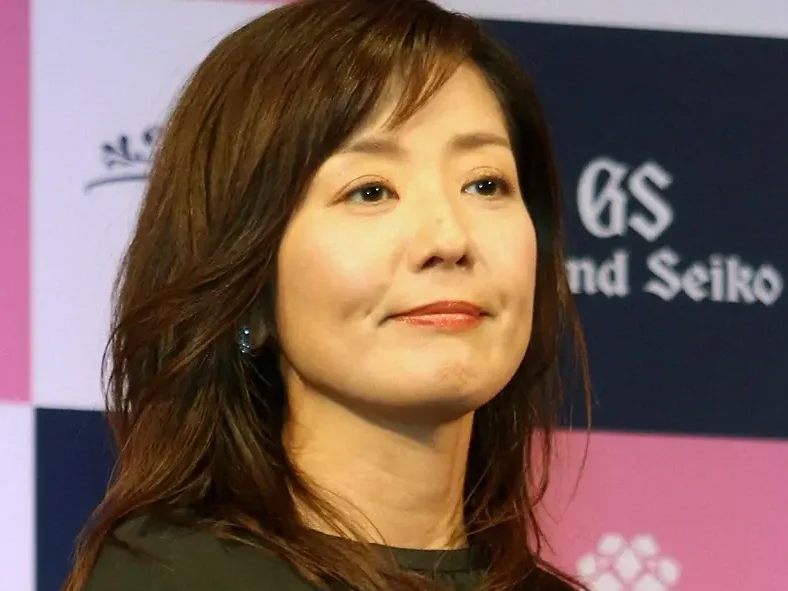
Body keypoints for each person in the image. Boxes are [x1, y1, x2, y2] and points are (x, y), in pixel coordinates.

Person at [64, 0, 591, 589]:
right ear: (250, 285)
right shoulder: (177, 577)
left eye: (485, 184)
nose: (449, 239)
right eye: (371, 191)